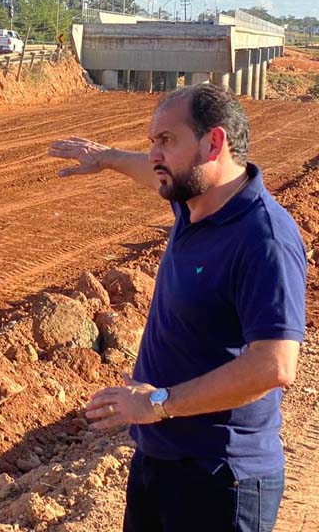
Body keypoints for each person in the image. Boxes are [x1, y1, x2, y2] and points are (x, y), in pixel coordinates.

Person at [49, 83, 305, 532]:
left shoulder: (263, 237)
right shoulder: (194, 204)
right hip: (160, 461)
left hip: (222, 480)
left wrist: (159, 403)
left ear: (214, 143)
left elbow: (275, 366)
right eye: (151, 142)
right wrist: (105, 156)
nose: (153, 155)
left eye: (166, 140)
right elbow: (156, 175)